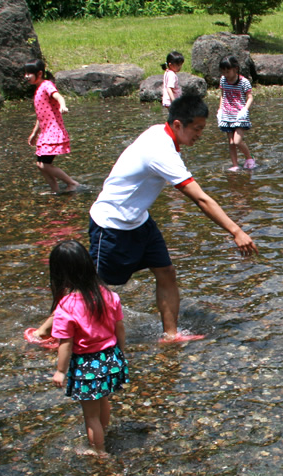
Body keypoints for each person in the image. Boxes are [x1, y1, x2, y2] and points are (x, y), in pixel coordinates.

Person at [24, 95, 258, 347]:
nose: (200, 135)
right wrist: (236, 231)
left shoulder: (161, 133)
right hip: (112, 224)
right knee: (91, 287)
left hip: (139, 221)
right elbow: (200, 199)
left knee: (166, 272)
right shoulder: (161, 151)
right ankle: (43, 333)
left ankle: (171, 335)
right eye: (197, 129)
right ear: (178, 124)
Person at [48, 240, 128, 455]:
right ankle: (105, 432)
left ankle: (99, 452)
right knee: (103, 401)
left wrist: (60, 371)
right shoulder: (108, 295)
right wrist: (121, 354)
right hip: (111, 358)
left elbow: (65, 344)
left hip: (86, 365)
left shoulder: (66, 305)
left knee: (90, 415)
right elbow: (119, 328)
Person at [24, 59, 79, 194]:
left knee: (45, 164)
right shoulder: (37, 90)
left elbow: (58, 96)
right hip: (45, 133)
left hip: (54, 131)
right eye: (25, 73)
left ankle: (72, 183)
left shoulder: (47, 85)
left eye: (29, 74)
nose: (26, 76)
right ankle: (55, 189)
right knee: (40, 165)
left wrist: (63, 106)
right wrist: (34, 133)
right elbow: (40, 116)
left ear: (40, 73)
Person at [217, 56, 255, 171]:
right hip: (227, 115)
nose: (225, 74)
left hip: (240, 115)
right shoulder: (223, 80)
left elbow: (250, 97)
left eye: (228, 71)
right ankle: (235, 165)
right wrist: (220, 109)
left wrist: (245, 109)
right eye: (223, 71)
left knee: (237, 140)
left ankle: (249, 158)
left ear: (236, 69)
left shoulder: (244, 82)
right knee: (231, 142)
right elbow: (223, 95)